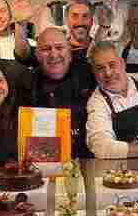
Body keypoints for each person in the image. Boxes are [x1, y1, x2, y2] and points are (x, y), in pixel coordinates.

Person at [16, 27, 96, 158]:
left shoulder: (88, 75)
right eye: (46, 49)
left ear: (70, 54)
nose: (53, 54)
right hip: (45, 160)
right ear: (36, 54)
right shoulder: (26, 83)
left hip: (87, 158)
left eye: (59, 48)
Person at [15, 0, 94, 65]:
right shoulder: (55, 49)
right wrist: (21, 25)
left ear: (92, 21)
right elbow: (23, 55)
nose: (80, 22)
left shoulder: (100, 46)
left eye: (85, 16)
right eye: (74, 16)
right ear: (67, 20)